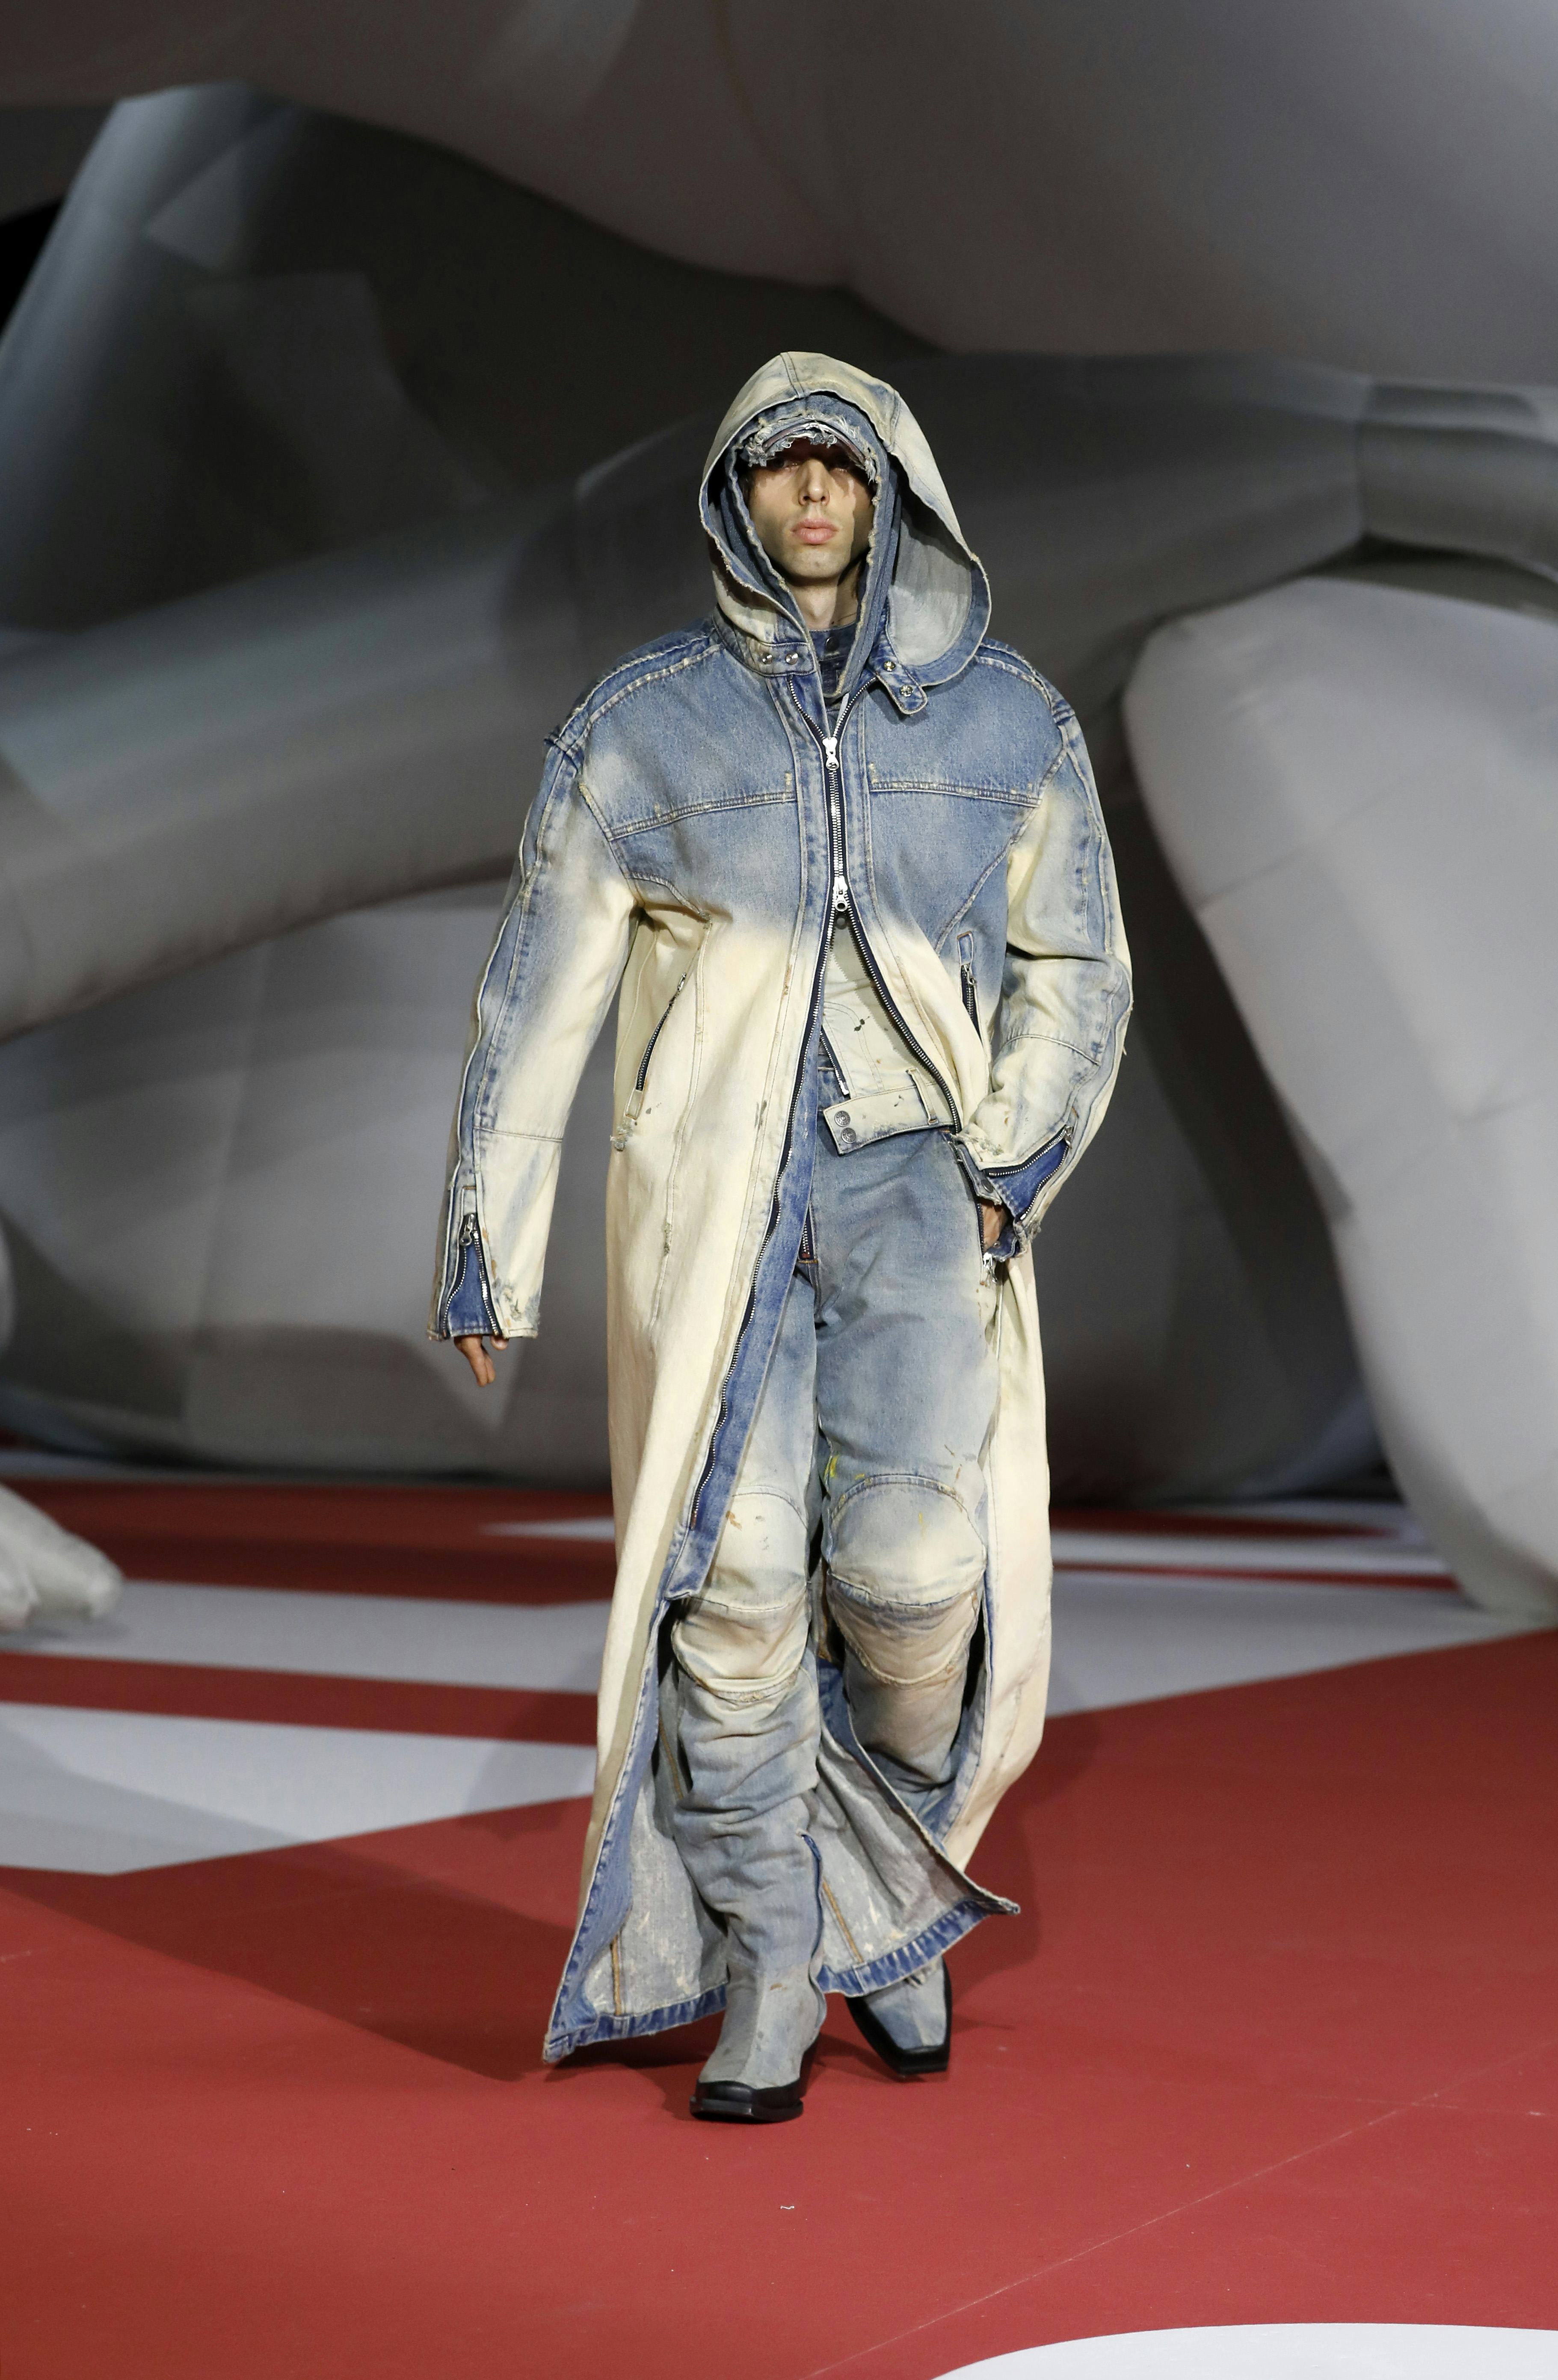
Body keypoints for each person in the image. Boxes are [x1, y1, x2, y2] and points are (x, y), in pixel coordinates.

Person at [434, 353, 1130, 2122]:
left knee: (917, 1582)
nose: (811, 494)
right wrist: (489, 1245)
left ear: (893, 485)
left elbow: (1076, 960)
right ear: (738, 496)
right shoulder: (645, 720)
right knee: (731, 1596)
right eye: (779, 466)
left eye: (840, 462)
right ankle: (767, 1954)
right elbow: (537, 994)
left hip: (918, 1197)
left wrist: (1011, 1155)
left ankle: (884, 1919)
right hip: (721, 1215)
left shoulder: (1005, 722)